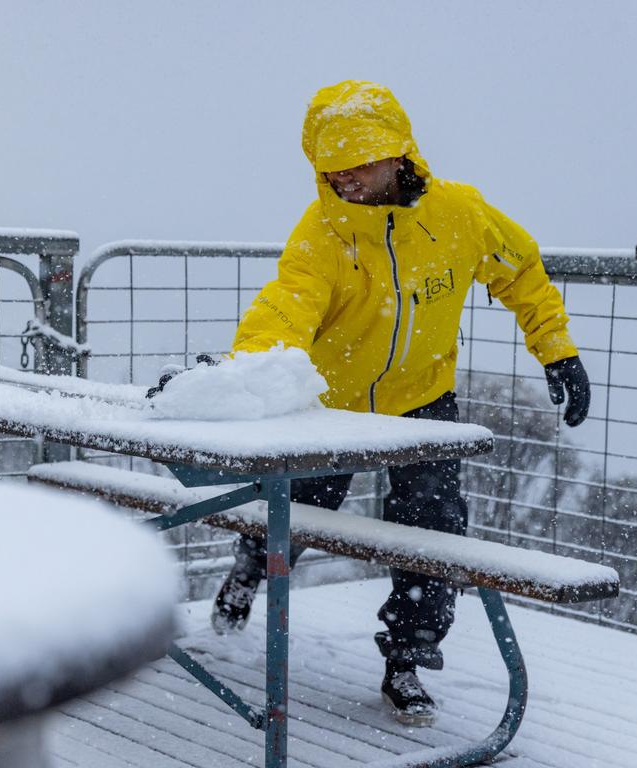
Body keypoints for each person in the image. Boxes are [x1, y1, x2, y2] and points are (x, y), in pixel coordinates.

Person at [210, 80, 590, 726]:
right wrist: (245, 374)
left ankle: (407, 659)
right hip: (332, 409)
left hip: (424, 401)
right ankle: (252, 567)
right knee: (294, 508)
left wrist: (557, 350)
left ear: (398, 153)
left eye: (360, 164)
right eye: (333, 170)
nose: (348, 181)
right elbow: (284, 307)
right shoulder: (323, 231)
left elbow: (520, 266)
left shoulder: (459, 215)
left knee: (432, 529)